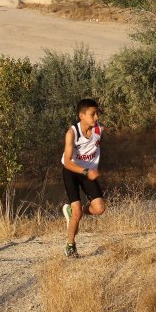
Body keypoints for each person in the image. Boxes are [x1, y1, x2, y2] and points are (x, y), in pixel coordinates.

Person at [60, 99, 106, 258]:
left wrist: (93, 166)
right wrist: (86, 171)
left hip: (88, 172)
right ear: (81, 116)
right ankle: (71, 245)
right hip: (71, 171)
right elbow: (66, 162)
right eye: (92, 114)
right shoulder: (72, 133)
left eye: (97, 113)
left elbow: (95, 146)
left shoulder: (99, 130)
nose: (96, 117)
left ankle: (73, 213)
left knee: (99, 208)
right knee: (77, 211)